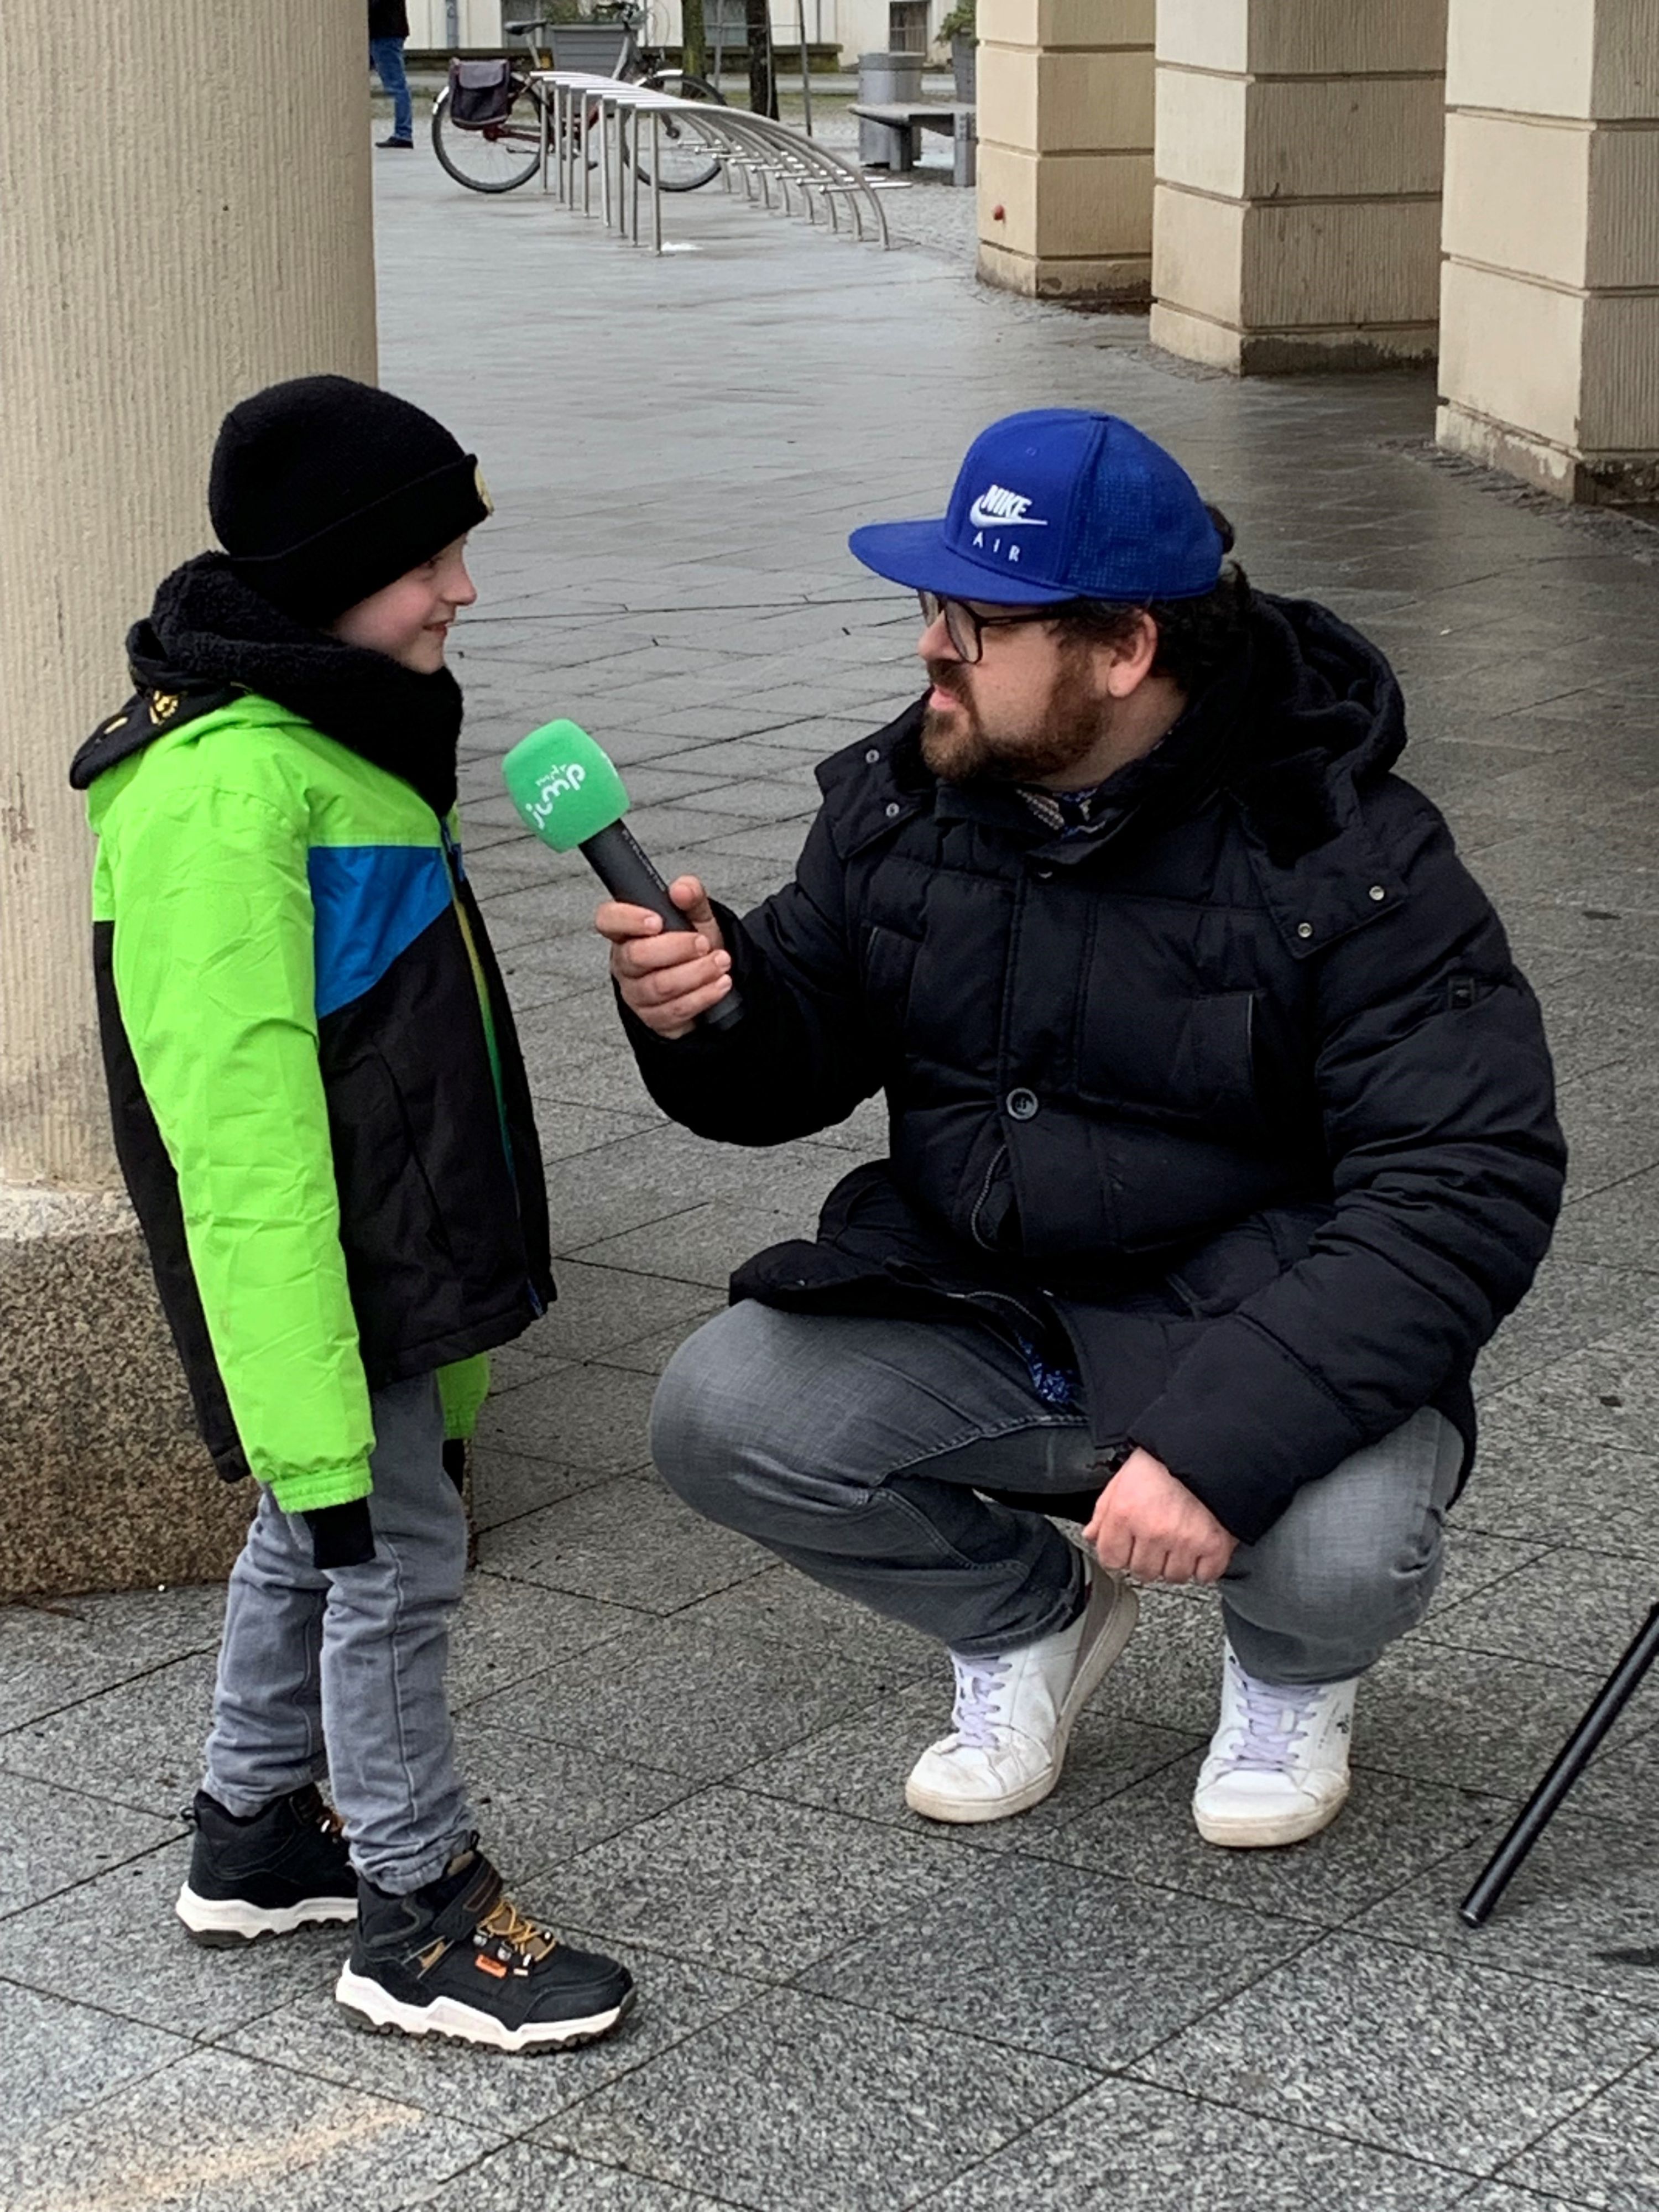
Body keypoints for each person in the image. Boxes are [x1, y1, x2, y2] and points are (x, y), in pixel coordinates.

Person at [598, 409, 1566, 1848]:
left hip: (1258, 1313)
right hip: (989, 1298)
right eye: (933, 608)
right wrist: (714, 1012)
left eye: (980, 624)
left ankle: (1294, 1679)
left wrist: (1222, 1446)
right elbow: (798, 1052)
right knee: (723, 1413)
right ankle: (1025, 1620)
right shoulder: (908, 793)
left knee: (1340, 1552)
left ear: (1123, 652)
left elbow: (1464, 1186)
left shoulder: (1349, 853)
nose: (933, 650)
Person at [72, 374, 633, 2050]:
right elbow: (241, 1147)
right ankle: (415, 1906)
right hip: (337, 1276)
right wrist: (305, 1418)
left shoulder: (329, 725)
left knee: (328, 1545)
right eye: (428, 559)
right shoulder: (228, 791)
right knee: (388, 1552)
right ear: (329, 573)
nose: (461, 587)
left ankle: (254, 1832)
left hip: (393, 1246)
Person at [370, 0, 414, 149]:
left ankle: (403, 133)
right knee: (397, 84)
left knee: (396, 84)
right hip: (387, 30)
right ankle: (403, 132)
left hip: (384, 32)